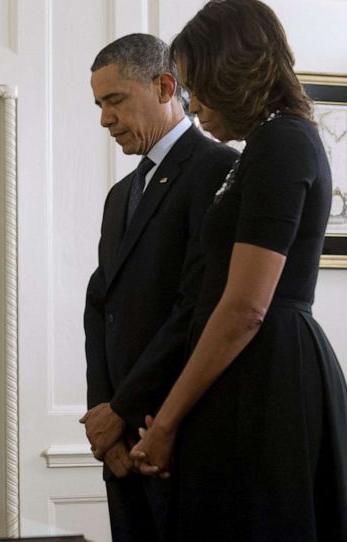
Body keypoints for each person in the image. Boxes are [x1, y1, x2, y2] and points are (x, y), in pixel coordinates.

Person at [130, 0, 347, 541]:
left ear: (231, 69)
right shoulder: (267, 143)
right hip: (250, 370)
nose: (191, 104)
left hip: (268, 375)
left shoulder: (282, 142)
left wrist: (167, 421)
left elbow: (244, 308)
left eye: (196, 83)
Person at [82, 34, 237, 542]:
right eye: (99, 104)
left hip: (177, 437)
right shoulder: (118, 195)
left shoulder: (218, 168)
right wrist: (107, 424)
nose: (104, 118)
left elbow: (197, 306)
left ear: (166, 85)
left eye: (115, 100)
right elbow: (99, 305)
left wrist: (124, 410)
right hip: (120, 445)